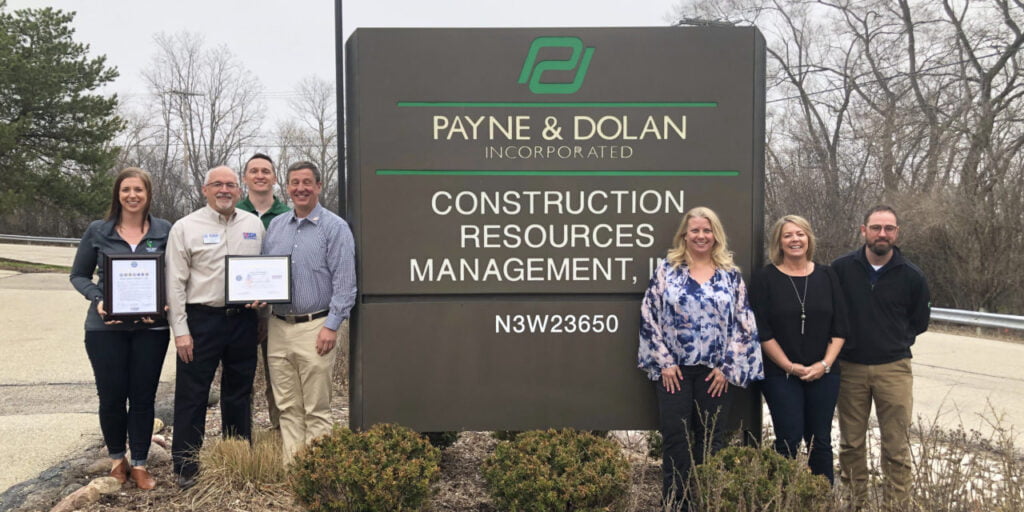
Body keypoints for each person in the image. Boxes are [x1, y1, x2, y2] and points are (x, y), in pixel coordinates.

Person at [638, 206, 763, 511]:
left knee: (711, 442)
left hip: (715, 375)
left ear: (715, 235)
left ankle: (708, 502)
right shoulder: (667, 270)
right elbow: (647, 316)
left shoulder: (730, 276)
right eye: (695, 230)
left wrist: (728, 369)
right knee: (675, 439)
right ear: (684, 234)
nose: (701, 236)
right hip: (674, 373)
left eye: (707, 230)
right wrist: (664, 361)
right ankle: (676, 503)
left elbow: (744, 323)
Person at [70, 167, 171, 490]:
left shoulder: (165, 230)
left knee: (142, 397)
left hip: (151, 329)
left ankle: (140, 463)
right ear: (118, 193)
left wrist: (163, 302)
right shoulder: (98, 231)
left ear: (148, 194)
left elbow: (175, 275)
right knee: (111, 396)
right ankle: (117, 460)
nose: (132, 195)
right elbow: (79, 275)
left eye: (138, 190)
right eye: (126, 189)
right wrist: (99, 299)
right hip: (105, 329)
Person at [165, 166, 265, 489]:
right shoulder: (185, 228)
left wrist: (262, 314)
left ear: (240, 190)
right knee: (192, 394)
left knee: (238, 392)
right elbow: (175, 284)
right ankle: (186, 465)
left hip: (243, 321)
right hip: (201, 321)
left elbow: (264, 273)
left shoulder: (254, 225)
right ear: (204, 189)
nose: (225, 190)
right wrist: (180, 330)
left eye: (231, 185)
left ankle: (236, 459)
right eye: (218, 184)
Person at [832, 205, 930, 509]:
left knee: (897, 447)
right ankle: (854, 503)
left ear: (897, 233)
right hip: (850, 368)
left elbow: (919, 323)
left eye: (889, 228)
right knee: (851, 444)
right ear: (863, 231)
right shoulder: (841, 268)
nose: (882, 234)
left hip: (894, 369)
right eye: (876, 228)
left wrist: (892, 341)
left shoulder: (912, 275)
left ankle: (896, 505)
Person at [263, 161, 356, 464]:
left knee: (316, 408)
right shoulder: (276, 226)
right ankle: (295, 472)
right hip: (278, 325)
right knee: (288, 406)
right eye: (294, 183)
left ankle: (319, 475)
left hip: (315, 326)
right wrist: (256, 294)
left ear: (318, 186)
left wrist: (332, 326)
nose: (300, 188)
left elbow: (345, 284)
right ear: (286, 188)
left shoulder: (335, 227)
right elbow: (265, 273)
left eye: (307, 182)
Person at [750, 215, 847, 483]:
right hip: (780, 373)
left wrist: (824, 364)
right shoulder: (765, 279)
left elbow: (840, 328)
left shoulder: (828, 276)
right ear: (779, 243)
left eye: (800, 234)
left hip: (824, 372)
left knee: (820, 442)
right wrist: (789, 366)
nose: (795, 240)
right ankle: (779, 499)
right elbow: (762, 330)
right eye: (788, 235)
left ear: (809, 239)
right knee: (788, 439)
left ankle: (822, 499)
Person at [236, 152, 290, 429]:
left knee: (278, 378)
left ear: (275, 178)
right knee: (240, 379)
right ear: (245, 177)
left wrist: (267, 314)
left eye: (266, 171)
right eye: (254, 171)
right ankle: (241, 440)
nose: (260, 176)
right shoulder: (233, 213)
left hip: (278, 311)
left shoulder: (288, 216)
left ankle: (279, 432)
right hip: (240, 311)